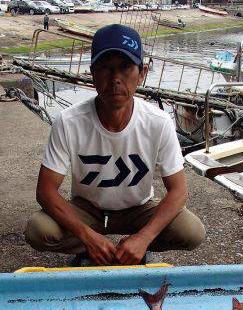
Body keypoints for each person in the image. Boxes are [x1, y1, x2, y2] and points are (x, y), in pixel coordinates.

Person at [25, 24, 205, 265]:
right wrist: (87, 236)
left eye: (125, 68)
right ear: (92, 73)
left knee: (191, 231)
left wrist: (144, 237)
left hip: (138, 209)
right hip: (88, 209)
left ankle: (132, 248)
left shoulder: (158, 122)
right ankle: (94, 248)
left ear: (141, 73)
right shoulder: (68, 121)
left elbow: (179, 191)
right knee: (38, 229)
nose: (115, 79)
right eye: (106, 68)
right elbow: (46, 191)